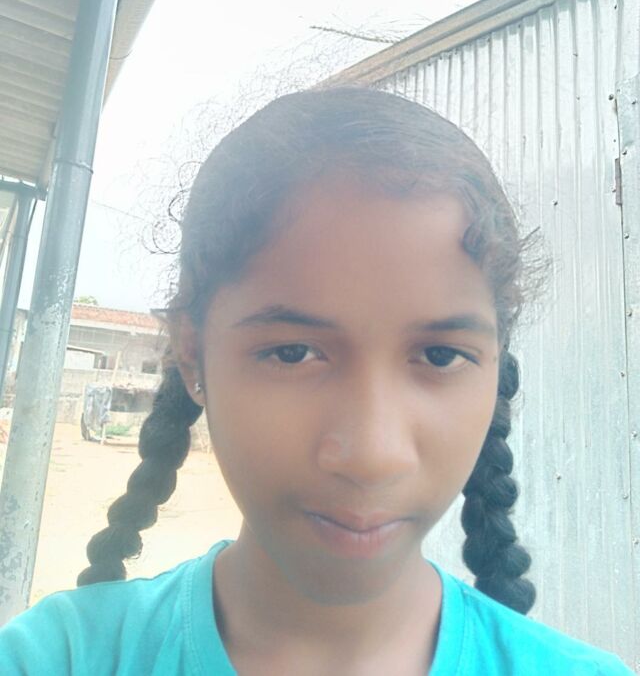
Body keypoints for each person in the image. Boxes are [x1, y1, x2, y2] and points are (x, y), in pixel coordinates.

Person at [0, 87, 633, 674]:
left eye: (441, 356)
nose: (372, 456)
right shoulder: (54, 658)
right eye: (292, 352)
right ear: (192, 356)